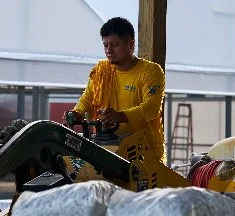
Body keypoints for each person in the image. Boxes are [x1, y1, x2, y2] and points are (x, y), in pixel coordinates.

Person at [68, 17, 167, 163]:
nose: (109, 51)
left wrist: (119, 116)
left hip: (144, 155)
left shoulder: (150, 71)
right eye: (105, 45)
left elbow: (151, 108)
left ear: (131, 44)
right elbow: (88, 98)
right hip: (107, 150)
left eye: (114, 45)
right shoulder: (101, 70)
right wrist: (77, 112)